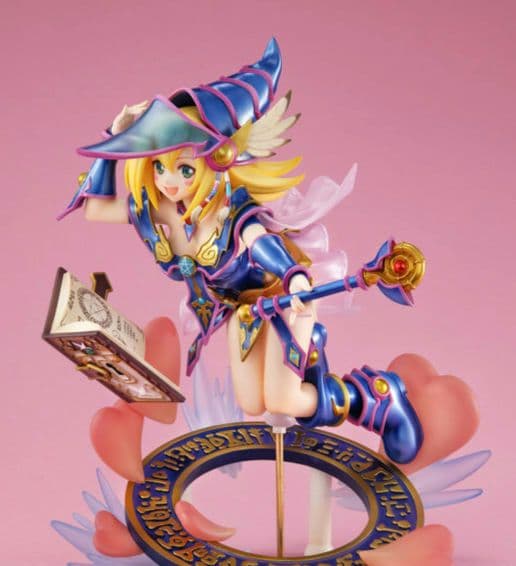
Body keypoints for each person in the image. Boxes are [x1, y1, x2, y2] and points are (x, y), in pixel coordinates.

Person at [60, 38, 422, 464]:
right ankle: (353, 392)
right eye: (159, 166)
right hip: (242, 312)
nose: (168, 181)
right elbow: (97, 209)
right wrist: (112, 138)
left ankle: (378, 398)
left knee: (285, 400)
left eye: (184, 168)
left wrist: (296, 280)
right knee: (253, 404)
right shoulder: (159, 213)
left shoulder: (232, 211)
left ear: (213, 163)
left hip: (285, 303)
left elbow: (262, 244)